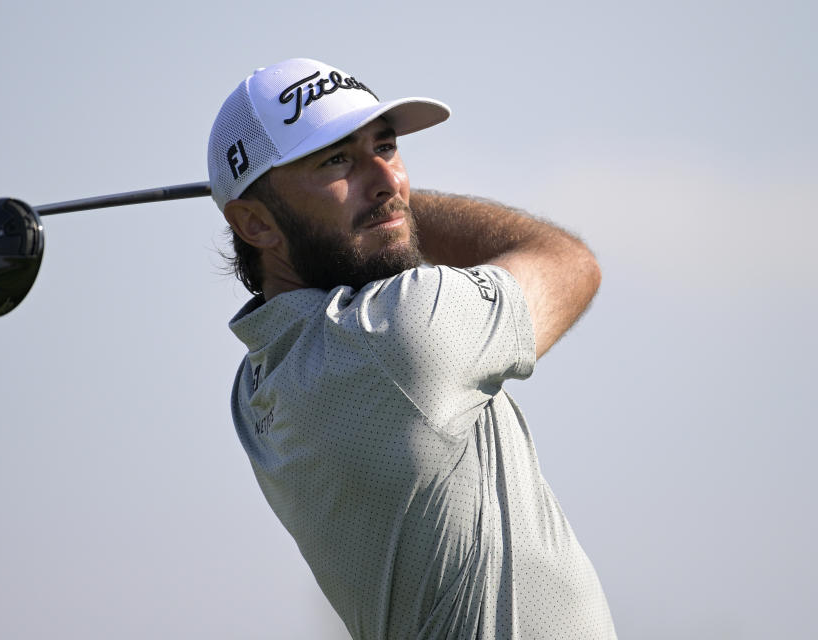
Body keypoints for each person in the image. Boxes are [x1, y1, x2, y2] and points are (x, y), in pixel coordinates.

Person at [207, 58, 617, 640]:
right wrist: (396, 210)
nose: (388, 179)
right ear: (255, 225)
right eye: (337, 160)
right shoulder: (398, 332)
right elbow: (568, 262)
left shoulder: (255, 388)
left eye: (387, 147)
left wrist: (365, 206)